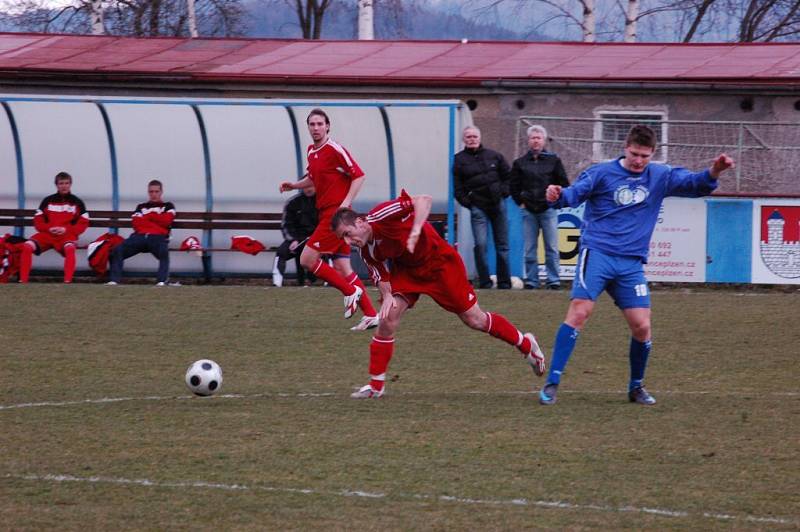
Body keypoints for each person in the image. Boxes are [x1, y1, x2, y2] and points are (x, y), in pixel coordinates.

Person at [539, 125, 735, 406]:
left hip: (630, 263)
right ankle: (553, 382)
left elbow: (695, 184)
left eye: (644, 155)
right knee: (580, 312)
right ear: (625, 147)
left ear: (653, 153)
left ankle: (636, 387)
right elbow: (573, 195)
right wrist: (558, 195)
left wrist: (715, 171)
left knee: (642, 326)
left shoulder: (660, 175)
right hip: (598, 254)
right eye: (634, 154)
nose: (638, 160)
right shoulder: (601, 173)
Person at [331, 190, 546, 399]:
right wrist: (387, 296)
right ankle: (376, 386)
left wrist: (416, 230)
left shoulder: (382, 214)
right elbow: (380, 275)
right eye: (344, 239)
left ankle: (527, 346)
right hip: (408, 271)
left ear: (359, 222)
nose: (348, 242)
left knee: (475, 320)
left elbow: (424, 200)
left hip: (439, 264)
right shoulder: (366, 250)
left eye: (348, 235)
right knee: (388, 319)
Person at [280, 108, 379, 332]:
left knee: (307, 259)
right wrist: (294, 185)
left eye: (319, 124)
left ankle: (349, 292)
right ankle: (372, 315)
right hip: (325, 213)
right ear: (308, 128)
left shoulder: (335, 149)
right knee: (344, 266)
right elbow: (313, 178)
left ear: (328, 126)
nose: (316, 128)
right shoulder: (311, 151)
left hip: (336, 216)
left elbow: (359, 175)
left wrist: (345, 203)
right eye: (312, 124)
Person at [510, 125, 570, 290]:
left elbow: (564, 183)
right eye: (533, 138)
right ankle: (532, 281)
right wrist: (520, 201)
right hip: (528, 211)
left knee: (552, 247)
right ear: (528, 141)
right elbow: (513, 186)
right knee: (530, 249)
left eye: (539, 138)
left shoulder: (554, 160)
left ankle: (553, 281)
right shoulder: (519, 163)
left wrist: (554, 199)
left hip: (548, 210)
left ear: (544, 140)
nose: (536, 141)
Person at [452, 125, 512, 289]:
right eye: (468, 137)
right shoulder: (459, 160)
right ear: (464, 139)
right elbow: (457, 187)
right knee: (480, 245)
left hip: (498, 205)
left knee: (503, 245)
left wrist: (504, 193)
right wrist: (469, 203)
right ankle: (485, 282)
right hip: (478, 208)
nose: (472, 139)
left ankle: (504, 282)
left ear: (480, 138)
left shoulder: (495, 156)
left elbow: (508, 177)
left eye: (474, 136)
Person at [19, 171, 89, 283]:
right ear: (56, 185)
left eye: (67, 183)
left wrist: (66, 229)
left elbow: (83, 223)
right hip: (47, 234)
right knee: (27, 246)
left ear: (71, 184)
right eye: (61, 183)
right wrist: (48, 228)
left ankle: (67, 281)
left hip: (66, 235)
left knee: (70, 248)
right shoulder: (47, 201)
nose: (64, 186)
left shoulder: (77, 202)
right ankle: (23, 280)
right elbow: (38, 221)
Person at [107, 180, 175, 286]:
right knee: (118, 249)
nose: (153, 194)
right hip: (139, 237)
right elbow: (136, 224)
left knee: (163, 251)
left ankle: (161, 281)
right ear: (148, 192)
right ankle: (114, 280)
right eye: (151, 192)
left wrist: (148, 217)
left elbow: (167, 221)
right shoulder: (141, 206)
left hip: (157, 238)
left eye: (156, 191)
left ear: (161, 192)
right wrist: (156, 221)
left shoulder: (168, 206)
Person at [273, 185, 317, 287]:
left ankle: (327, 284)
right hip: (296, 238)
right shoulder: (293, 202)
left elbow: (327, 223)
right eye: (306, 185)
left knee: (330, 252)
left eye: (311, 185)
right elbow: (285, 225)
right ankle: (277, 283)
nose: (309, 188)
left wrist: (316, 238)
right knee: (281, 252)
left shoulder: (323, 201)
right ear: (302, 186)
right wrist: (292, 239)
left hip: (317, 239)